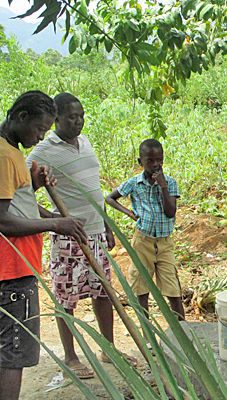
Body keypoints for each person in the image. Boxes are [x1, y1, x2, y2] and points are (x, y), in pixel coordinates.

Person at [26, 93, 136, 380]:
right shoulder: (43, 151)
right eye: (72, 117)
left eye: (82, 116)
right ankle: (71, 356)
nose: (79, 122)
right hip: (68, 237)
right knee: (66, 298)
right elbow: (21, 191)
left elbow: (94, 188)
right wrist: (52, 219)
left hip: (96, 233)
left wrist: (106, 224)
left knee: (104, 292)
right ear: (56, 120)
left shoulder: (85, 142)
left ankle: (109, 348)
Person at [0, 91, 87, 400]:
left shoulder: (10, 150)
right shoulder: (4, 154)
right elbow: (4, 221)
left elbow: (18, 203)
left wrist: (32, 184)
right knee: (14, 354)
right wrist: (55, 223)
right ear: (21, 117)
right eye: (39, 129)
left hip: (17, 267)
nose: (40, 137)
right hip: (10, 270)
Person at [105, 139, 185, 330]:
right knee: (141, 286)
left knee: (172, 287)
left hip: (165, 242)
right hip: (143, 241)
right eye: (150, 160)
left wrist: (163, 186)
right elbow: (109, 198)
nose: (155, 164)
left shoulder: (170, 183)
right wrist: (128, 212)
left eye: (159, 160)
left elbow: (170, 212)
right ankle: (148, 332)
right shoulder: (134, 183)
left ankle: (183, 332)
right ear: (140, 162)